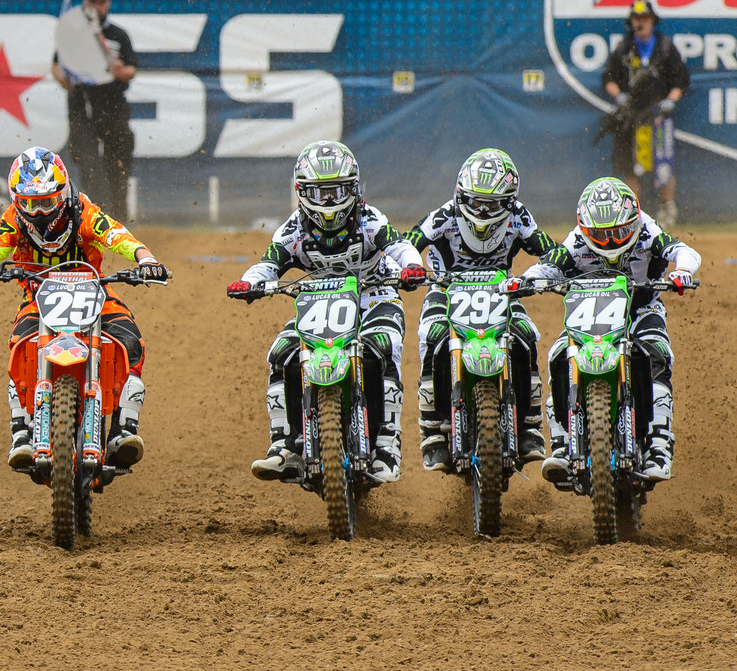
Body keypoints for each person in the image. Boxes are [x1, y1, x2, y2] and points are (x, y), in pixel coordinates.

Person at [227, 140, 422, 484]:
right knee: (281, 353)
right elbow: (267, 264)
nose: (329, 202)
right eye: (320, 193)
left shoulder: (370, 219)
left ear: (353, 188)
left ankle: (387, 445)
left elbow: (400, 245)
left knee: (384, 346)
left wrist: (412, 267)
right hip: (318, 304)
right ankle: (284, 446)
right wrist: (249, 283)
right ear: (302, 192)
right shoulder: (292, 229)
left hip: (373, 297)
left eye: (337, 192)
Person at [0, 147, 166, 472]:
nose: (38, 212)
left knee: (130, 341)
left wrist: (145, 259)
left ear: (62, 194)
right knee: (20, 345)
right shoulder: (13, 219)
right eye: (29, 203)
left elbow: (116, 234)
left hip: (94, 293)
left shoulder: (83, 212)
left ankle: (123, 430)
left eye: (46, 202)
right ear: (17, 199)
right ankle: (21, 433)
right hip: (38, 298)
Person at [521, 176, 701, 484]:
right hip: (590, 316)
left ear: (632, 220)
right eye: (600, 235)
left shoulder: (648, 229)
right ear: (585, 227)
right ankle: (564, 444)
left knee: (657, 354)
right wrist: (528, 278)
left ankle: (659, 446)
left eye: (618, 232)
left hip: (640, 312)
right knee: (558, 356)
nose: (610, 242)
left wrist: (682, 272)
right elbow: (551, 262)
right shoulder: (577, 239)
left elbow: (684, 251)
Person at [408, 149, 569, 472]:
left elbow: (549, 249)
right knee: (432, 332)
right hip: (446, 288)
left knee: (525, 334)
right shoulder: (444, 216)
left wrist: (562, 271)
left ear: (509, 201)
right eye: (476, 201)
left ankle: (529, 425)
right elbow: (409, 242)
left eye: (492, 203)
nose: (482, 210)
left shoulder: (519, 217)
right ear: (460, 194)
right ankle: (431, 429)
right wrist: (406, 268)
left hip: (500, 290)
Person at [599, 0, 688, 221]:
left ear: (652, 21)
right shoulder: (623, 47)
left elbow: (681, 79)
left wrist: (670, 101)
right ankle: (633, 215)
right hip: (630, 117)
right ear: (631, 22)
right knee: (629, 166)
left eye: (644, 18)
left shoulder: (665, 47)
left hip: (658, 117)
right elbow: (608, 77)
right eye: (636, 19)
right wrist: (618, 96)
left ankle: (667, 210)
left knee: (663, 164)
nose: (640, 23)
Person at [52, 0, 137, 215]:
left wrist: (121, 72)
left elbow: (132, 68)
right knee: (88, 163)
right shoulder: (72, 36)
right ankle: (92, 218)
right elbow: (57, 65)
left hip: (112, 105)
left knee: (117, 162)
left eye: (101, 2)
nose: (96, 6)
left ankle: (118, 217)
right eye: (92, 2)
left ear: (107, 5)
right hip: (81, 105)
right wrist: (63, 79)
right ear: (84, 4)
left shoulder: (118, 35)